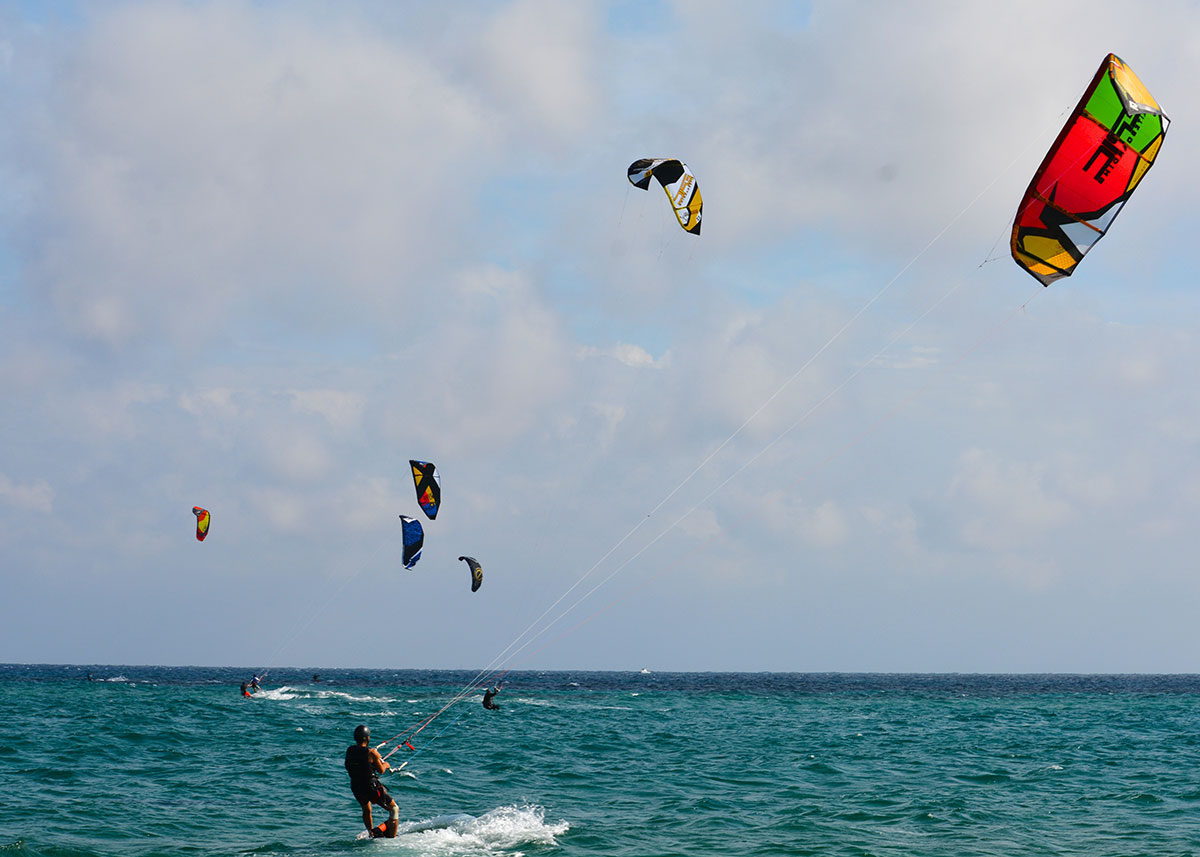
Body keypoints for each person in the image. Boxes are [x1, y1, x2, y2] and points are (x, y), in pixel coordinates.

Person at [344, 724, 398, 838]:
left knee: (366, 809)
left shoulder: (350, 750)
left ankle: (371, 832)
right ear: (368, 738)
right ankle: (392, 837)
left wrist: (374, 758)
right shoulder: (371, 753)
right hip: (371, 787)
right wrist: (386, 764)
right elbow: (381, 770)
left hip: (356, 787)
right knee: (394, 809)